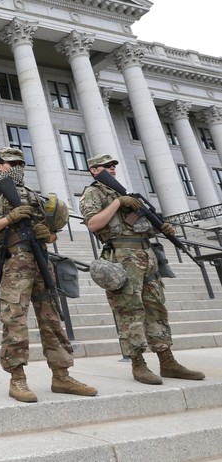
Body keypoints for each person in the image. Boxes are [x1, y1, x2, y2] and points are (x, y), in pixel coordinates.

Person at [0, 147, 97, 402]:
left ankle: (61, 375)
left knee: (52, 320)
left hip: (41, 260)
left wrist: (47, 234)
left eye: (20, 163)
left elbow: (52, 232)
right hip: (15, 262)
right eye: (11, 163)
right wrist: (9, 218)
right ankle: (17, 379)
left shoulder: (34, 196)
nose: (17, 167)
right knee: (15, 321)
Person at [79, 153, 205, 385]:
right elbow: (93, 224)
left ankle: (167, 361)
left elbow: (141, 227)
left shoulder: (126, 193)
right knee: (130, 310)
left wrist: (160, 228)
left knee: (156, 308)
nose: (112, 169)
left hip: (146, 256)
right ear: (94, 170)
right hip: (121, 257)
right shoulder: (93, 193)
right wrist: (118, 203)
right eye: (106, 166)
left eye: (114, 165)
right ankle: (138, 363)